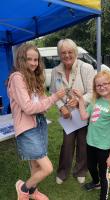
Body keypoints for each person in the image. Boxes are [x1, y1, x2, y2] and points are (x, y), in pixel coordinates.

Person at [7, 43, 65, 200]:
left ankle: (32, 191)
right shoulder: (17, 77)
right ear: (21, 59)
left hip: (39, 123)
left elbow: (40, 102)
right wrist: (53, 98)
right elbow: (28, 108)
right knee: (47, 168)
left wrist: (47, 102)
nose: (33, 63)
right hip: (27, 127)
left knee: (36, 164)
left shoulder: (33, 77)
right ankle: (24, 188)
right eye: (29, 59)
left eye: (36, 60)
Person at [73, 70, 110, 200]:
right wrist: (80, 99)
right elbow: (84, 116)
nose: (102, 87)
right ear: (95, 88)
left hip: (105, 147)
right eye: (98, 85)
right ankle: (95, 183)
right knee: (90, 166)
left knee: (103, 174)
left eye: (105, 84)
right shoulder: (96, 101)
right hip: (91, 142)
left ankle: (103, 195)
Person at [50, 38, 95, 184]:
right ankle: (63, 172)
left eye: (70, 52)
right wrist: (61, 107)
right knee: (67, 144)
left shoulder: (86, 68)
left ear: (75, 52)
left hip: (83, 113)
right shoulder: (56, 71)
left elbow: (93, 92)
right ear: (59, 54)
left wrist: (80, 100)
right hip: (67, 115)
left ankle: (81, 170)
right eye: (63, 53)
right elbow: (53, 93)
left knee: (83, 142)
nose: (67, 55)